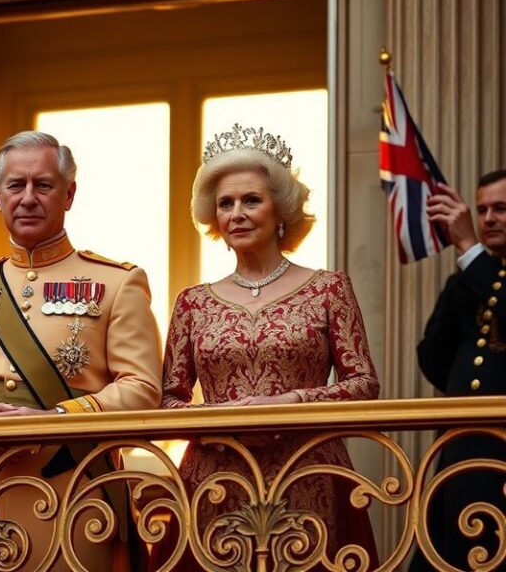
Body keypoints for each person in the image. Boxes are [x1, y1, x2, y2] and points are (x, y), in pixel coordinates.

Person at [0, 130, 162, 571]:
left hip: (73, 499)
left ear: (69, 194)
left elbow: (142, 390)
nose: (28, 197)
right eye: (15, 186)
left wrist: (55, 419)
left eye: (42, 185)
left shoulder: (118, 282)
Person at [159, 124, 380, 569]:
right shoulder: (192, 302)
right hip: (214, 483)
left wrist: (292, 401)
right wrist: (217, 418)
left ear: (281, 210)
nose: (236, 213)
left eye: (251, 200)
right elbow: (169, 400)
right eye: (226, 204)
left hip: (309, 475)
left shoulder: (328, 288)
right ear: (215, 219)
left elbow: (364, 384)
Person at [410, 170, 506, 571]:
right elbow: (433, 361)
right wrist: (466, 276)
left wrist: (469, 248)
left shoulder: (477, 267)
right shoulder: (468, 280)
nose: (488, 219)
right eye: (482, 209)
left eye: (500, 208)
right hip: (462, 447)